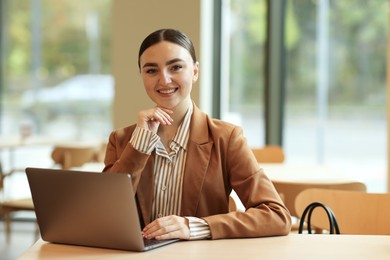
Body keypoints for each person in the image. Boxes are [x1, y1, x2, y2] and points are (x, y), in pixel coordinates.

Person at [103, 28, 291, 240]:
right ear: (142, 76)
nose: (164, 80)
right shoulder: (121, 140)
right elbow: (102, 214)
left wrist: (195, 227)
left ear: (194, 71)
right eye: (151, 70)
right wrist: (139, 146)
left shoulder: (226, 138)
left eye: (175, 67)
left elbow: (276, 215)